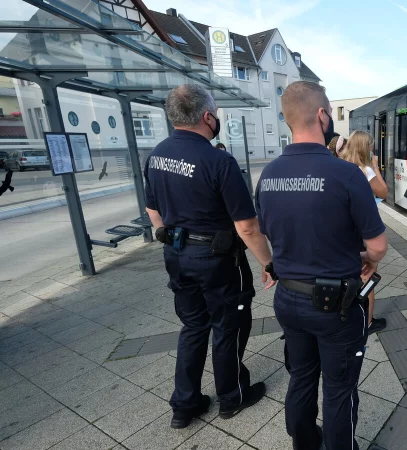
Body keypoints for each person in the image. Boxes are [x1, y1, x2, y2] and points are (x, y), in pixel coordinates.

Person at [254, 81, 387, 450]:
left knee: (301, 377)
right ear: (322, 115)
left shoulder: (268, 175)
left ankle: (305, 444)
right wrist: (368, 259)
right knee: (339, 389)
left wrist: (272, 263)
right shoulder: (346, 174)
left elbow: (262, 231)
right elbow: (378, 245)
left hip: (288, 299)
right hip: (336, 306)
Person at [144, 84, 274, 429]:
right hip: (218, 259)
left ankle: (184, 405)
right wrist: (268, 263)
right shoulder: (219, 161)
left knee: (193, 325)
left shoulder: (156, 156)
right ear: (207, 117)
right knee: (228, 326)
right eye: (215, 113)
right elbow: (247, 226)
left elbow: (152, 210)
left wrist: (173, 237)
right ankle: (232, 396)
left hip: (176, 254)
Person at [339, 130, 388, 333]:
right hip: (362, 229)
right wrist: (375, 166)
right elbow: (383, 192)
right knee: (368, 274)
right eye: (370, 146)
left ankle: (347, 314)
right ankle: (367, 322)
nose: (372, 149)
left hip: (343, 229)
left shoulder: (340, 165)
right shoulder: (365, 170)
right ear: (364, 147)